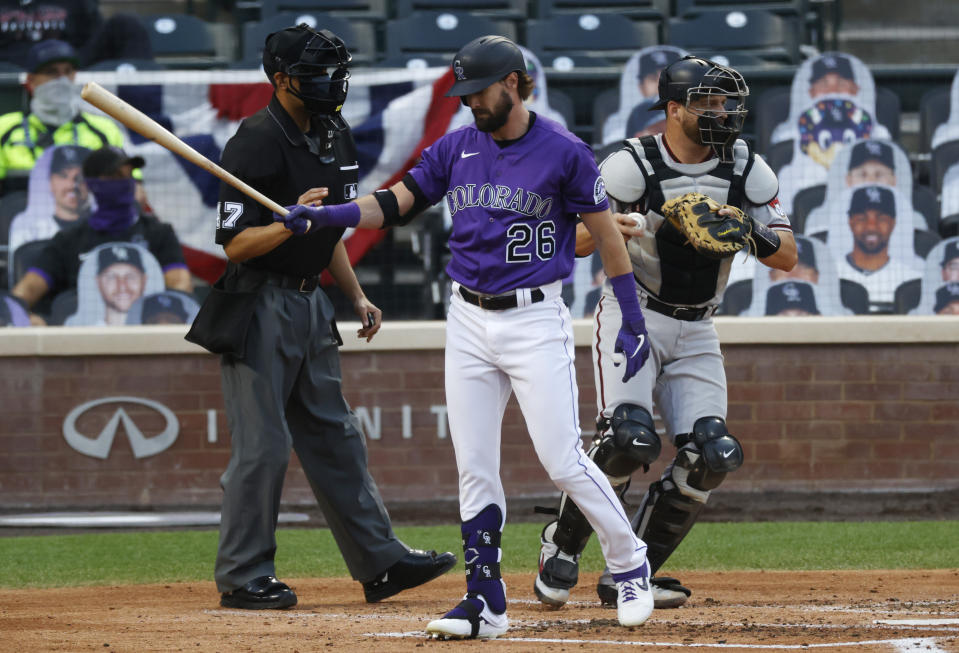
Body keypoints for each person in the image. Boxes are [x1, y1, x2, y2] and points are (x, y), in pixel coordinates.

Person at [278, 34, 658, 638]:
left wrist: (632, 315)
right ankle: (485, 601)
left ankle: (629, 560)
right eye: (461, 93)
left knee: (562, 458)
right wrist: (329, 218)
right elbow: (394, 202)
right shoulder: (457, 147)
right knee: (474, 466)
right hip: (469, 319)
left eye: (476, 91)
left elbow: (608, 235)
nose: (468, 103)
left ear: (512, 82)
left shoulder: (564, 150)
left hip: (535, 319)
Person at [188, 24, 457, 612]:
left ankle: (380, 562)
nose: (331, 82)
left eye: (335, 70)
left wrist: (354, 293)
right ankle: (243, 575)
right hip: (258, 303)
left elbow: (331, 223)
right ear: (282, 79)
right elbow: (233, 245)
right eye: (316, 72)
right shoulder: (255, 140)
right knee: (262, 446)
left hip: (313, 303)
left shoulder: (335, 132)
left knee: (337, 435)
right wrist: (283, 223)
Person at [531, 56, 798, 612]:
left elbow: (788, 256)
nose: (721, 113)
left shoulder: (746, 166)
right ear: (674, 109)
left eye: (725, 102)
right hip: (636, 314)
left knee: (713, 453)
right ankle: (561, 545)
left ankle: (632, 573)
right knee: (628, 440)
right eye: (708, 102)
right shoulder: (633, 164)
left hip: (699, 324)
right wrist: (613, 227)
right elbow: (572, 241)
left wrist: (748, 229)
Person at [11, 146, 191, 323]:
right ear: (91, 184)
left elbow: (181, 288)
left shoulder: (159, 233)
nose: (125, 183)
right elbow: (26, 291)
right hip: (82, 336)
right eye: (115, 177)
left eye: (128, 176)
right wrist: (26, 318)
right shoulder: (69, 240)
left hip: (145, 333)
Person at [0, 40, 128, 195]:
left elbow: (129, 187)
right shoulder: (4, 127)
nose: (61, 80)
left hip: (88, 217)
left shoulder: (104, 129)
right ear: (30, 81)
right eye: (51, 72)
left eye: (68, 72)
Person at [7, 145, 91, 275]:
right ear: (49, 181)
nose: (72, 185)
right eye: (63, 176)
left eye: (80, 177)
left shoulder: (107, 223)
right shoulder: (26, 224)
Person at [0, 0, 153, 70]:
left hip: (70, 63)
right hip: (9, 70)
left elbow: (93, 37)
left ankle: (147, 104)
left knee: (126, 23)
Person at [835, 185, 922, 305]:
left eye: (881, 219)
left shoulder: (911, 280)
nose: (871, 226)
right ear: (850, 221)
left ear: (893, 223)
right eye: (862, 218)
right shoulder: (831, 275)